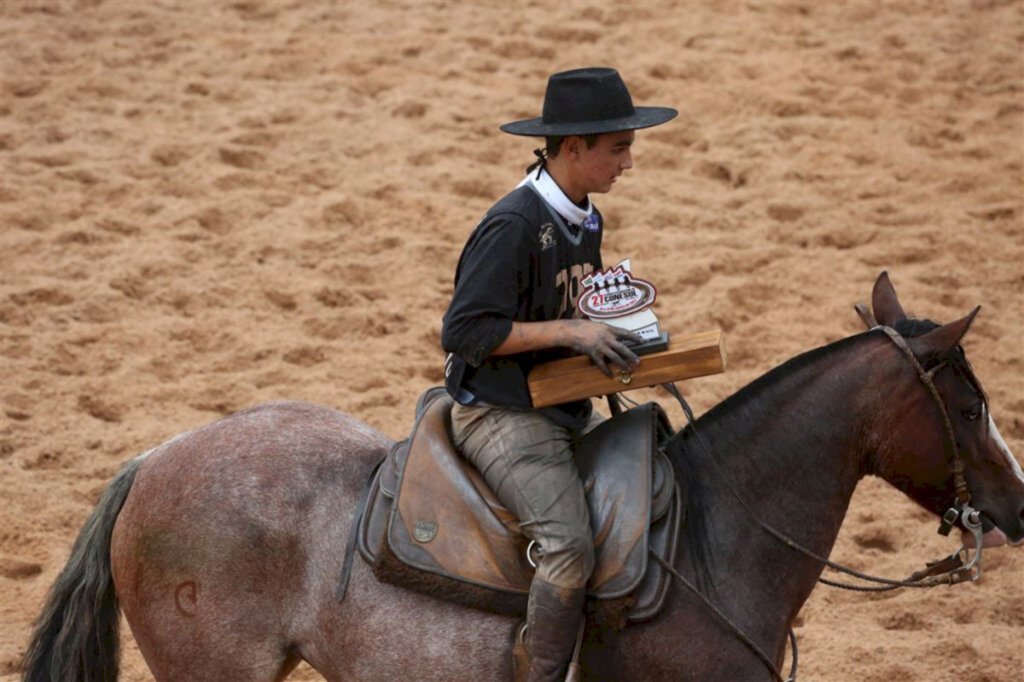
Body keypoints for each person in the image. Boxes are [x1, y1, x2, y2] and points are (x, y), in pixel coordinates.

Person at [440, 67, 677, 682]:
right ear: (574, 148)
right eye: (618, 148)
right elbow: (465, 331)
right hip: (501, 413)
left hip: (556, 400)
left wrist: (627, 333)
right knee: (570, 547)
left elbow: (575, 307)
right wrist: (573, 333)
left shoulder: (584, 215)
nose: (629, 161)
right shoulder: (514, 226)